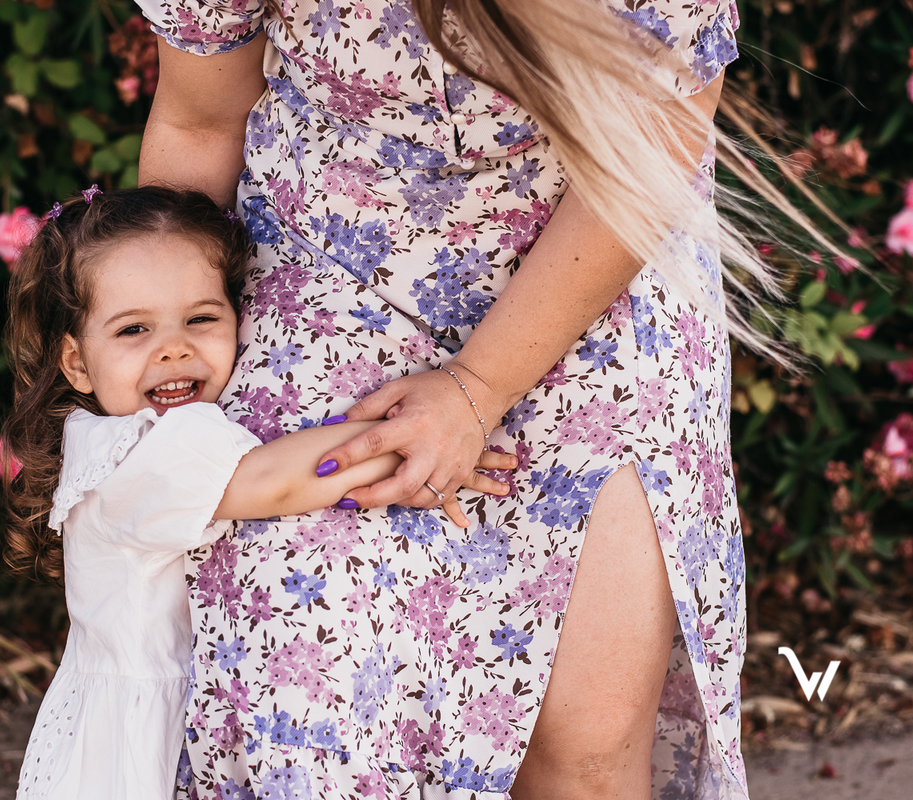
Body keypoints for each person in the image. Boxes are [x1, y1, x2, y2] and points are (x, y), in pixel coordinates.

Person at [134, 1, 769, 798]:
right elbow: (202, 117)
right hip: (325, 263)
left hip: (597, 264)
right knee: (313, 690)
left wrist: (477, 389)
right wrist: (148, 381)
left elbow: (652, 145)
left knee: (584, 742)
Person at [0, 186, 512, 799]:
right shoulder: (123, 456)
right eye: (133, 329)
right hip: (132, 756)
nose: (173, 347)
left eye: (201, 318)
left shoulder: (147, 435)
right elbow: (271, 480)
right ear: (77, 364)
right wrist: (414, 440)